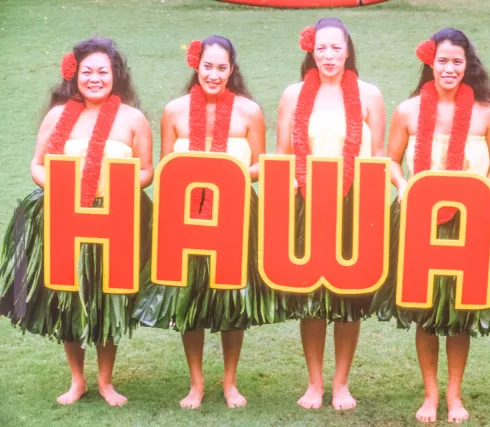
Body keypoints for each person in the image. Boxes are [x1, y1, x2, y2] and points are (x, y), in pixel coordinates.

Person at [132, 35, 286, 409]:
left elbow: (260, 164)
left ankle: (230, 381)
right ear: (196, 66)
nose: (214, 74)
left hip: (235, 212)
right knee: (193, 297)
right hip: (186, 215)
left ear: (232, 69)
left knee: (232, 298)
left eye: (222, 67)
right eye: (208, 66)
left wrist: (228, 173)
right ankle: (196, 382)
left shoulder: (249, 111)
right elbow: (167, 165)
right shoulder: (174, 111)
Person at [0, 37, 154, 406]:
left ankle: (105, 381)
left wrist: (119, 189)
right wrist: (61, 188)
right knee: (67, 298)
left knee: (106, 298)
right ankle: (77, 380)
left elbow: (148, 169)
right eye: (88, 71)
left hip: (114, 218)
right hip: (64, 217)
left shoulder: (132, 118)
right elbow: (37, 164)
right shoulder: (57, 116)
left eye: (103, 71)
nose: (95, 78)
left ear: (115, 75)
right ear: (75, 74)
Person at [371, 28, 490, 423]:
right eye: (443, 61)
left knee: (459, 312)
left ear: (468, 65)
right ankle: (430, 394)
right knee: (428, 310)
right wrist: (403, 187)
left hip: (472, 222)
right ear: (430, 63)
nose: (449, 68)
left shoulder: (486, 112)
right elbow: (391, 159)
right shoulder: (409, 110)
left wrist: (484, 187)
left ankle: (454, 395)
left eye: (457, 61)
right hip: (420, 219)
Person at [275, 18, 386, 410]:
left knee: (347, 297)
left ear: (348, 50)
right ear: (311, 51)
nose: (328, 56)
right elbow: (283, 159)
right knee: (311, 296)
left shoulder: (370, 95)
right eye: (321, 48)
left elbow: (378, 159)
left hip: (356, 204)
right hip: (307, 201)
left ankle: (341, 383)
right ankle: (314, 382)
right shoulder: (293, 95)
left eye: (336, 48)